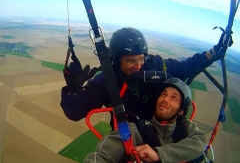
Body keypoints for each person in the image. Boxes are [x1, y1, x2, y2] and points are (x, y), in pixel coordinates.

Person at [61, 27, 231, 125]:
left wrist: (214, 51)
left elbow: (186, 67)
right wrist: (73, 90)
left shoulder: (156, 64)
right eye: (130, 61)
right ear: (116, 60)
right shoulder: (107, 80)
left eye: (141, 59)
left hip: (161, 131)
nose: (138, 66)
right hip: (128, 140)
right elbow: (75, 112)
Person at [83, 78, 206, 163]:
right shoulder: (136, 131)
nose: (165, 99)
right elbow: (102, 156)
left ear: (181, 111)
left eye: (174, 98)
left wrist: (159, 154)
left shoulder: (185, 127)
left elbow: (200, 142)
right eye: (163, 94)